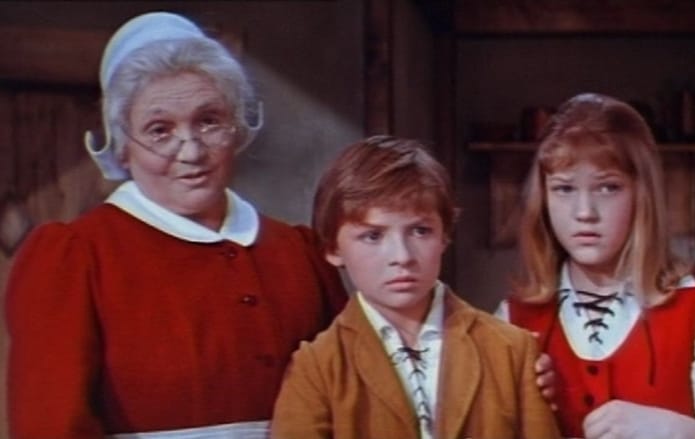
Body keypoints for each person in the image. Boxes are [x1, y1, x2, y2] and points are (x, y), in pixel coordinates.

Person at [4, 12, 347, 438]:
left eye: (209, 121)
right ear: (122, 147)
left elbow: (350, 403)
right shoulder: (76, 257)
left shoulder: (299, 252)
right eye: (160, 130)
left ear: (237, 128)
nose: (191, 152)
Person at [498, 92, 695, 438]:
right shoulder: (514, 319)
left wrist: (686, 433)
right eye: (564, 189)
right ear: (543, 199)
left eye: (607, 188)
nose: (584, 212)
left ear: (641, 195)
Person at [271, 135, 561, 439]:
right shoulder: (317, 368)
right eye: (373, 236)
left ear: (444, 235)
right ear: (333, 249)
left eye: (420, 231)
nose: (402, 256)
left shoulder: (510, 350)